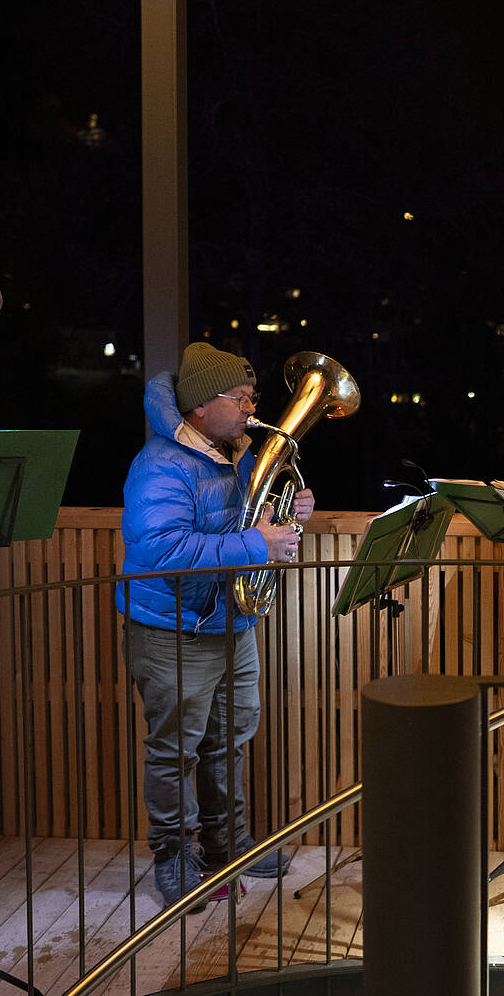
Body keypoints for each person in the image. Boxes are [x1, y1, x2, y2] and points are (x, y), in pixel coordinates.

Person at [115, 343, 311, 906]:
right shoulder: (160, 464)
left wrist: (290, 513)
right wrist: (258, 542)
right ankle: (174, 857)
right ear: (201, 405)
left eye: (253, 396)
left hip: (231, 621)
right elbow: (158, 550)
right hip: (172, 629)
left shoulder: (236, 453)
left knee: (230, 740)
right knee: (175, 750)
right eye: (242, 397)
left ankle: (229, 844)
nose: (253, 406)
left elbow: (253, 520)